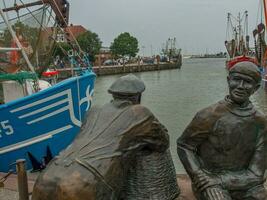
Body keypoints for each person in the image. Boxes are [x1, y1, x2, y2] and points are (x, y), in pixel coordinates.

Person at [32, 74, 180, 200]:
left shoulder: (93, 110)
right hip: (87, 180)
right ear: (138, 97)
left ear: (113, 95)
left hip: (48, 174)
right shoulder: (140, 113)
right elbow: (163, 142)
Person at [177, 61, 267, 200]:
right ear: (228, 80)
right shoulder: (209, 115)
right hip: (210, 182)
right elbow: (184, 145)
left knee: (260, 196)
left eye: (247, 82)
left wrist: (220, 180)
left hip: (244, 183)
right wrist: (200, 176)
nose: (240, 86)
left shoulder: (261, 122)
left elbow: (256, 173)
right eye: (236, 79)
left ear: (256, 88)